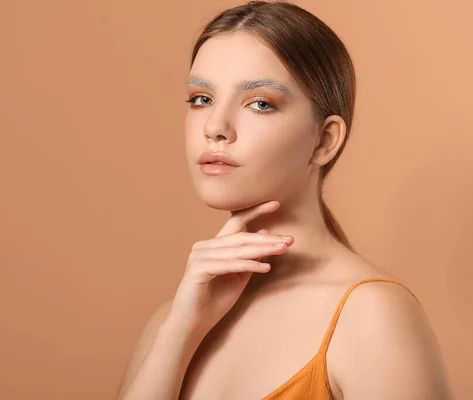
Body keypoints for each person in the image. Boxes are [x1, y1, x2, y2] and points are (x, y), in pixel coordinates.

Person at [116, 1, 452, 399]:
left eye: (260, 103)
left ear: (324, 140)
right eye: (201, 99)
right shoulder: (173, 319)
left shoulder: (373, 316)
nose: (216, 128)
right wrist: (179, 330)